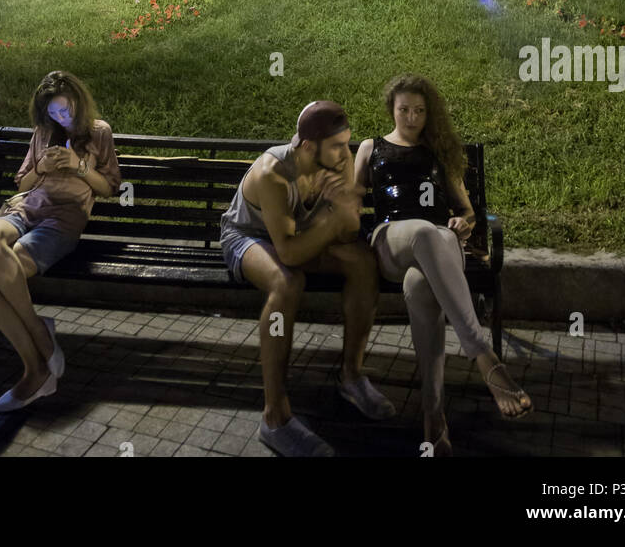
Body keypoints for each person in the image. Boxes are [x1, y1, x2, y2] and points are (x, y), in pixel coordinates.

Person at [355, 75, 533, 457]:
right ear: (392, 108)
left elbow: (467, 210)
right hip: (391, 241)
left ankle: (433, 418)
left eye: (420, 111)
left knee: (422, 288)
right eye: (404, 109)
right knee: (423, 231)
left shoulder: (439, 153)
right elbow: (352, 204)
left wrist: (464, 223)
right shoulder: (372, 148)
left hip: (440, 246)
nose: (412, 117)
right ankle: (484, 358)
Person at [220, 100, 395, 456]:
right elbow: (288, 254)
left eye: (346, 142)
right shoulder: (274, 173)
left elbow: (348, 233)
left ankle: (351, 376)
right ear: (307, 147)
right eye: (336, 145)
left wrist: (338, 215)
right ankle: (275, 417)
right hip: (248, 238)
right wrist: (332, 217)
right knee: (286, 283)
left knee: (363, 263)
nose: (345, 152)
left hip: (301, 235)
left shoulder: (338, 160)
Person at [0, 70, 121, 413]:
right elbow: (23, 184)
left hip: (62, 220)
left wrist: (79, 167)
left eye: (65, 110)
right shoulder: (43, 132)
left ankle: (36, 371)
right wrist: (43, 168)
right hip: (27, 208)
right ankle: (39, 331)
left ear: (79, 103)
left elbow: (110, 187)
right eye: (53, 113)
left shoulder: (99, 132)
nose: (60, 118)